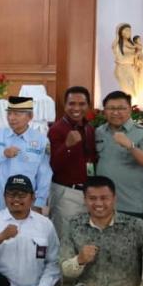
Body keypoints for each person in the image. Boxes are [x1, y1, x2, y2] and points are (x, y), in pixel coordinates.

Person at [94, 90, 143, 219]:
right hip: (101, 204)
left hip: (129, 204)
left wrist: (130, 146)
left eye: (121, 108)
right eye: (111, 108)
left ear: (130, 110)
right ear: (104, 111)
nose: (115, 112)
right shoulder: (99, 132)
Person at [0, 97, 52, 214]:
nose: (11, 118)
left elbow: (44, 174)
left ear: (30, 116)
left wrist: (39, 202)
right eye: (9, 113)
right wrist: (3, 154)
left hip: (27, 201)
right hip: (0, 200)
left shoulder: (41, 140)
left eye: (17, 114)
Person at [47, 86, 97, 239]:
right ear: (65, 105)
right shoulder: (56, 129)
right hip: (66, 192)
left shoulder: (89, 128)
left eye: (81, 104)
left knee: (85, 238)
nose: (76, 108)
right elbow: (52, 166)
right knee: (65, 239)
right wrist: (67, 146)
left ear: (88, 106)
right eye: (72, 103)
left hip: (88, 192)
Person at [112, 23, 142, 97]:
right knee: (127, 90)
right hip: (122, 69)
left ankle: (133, 102)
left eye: (130, 31)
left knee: (135, 88)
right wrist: (133, 56)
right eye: (126, 30)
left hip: (132, 68)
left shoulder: (132, 44)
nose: (129, 32)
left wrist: (138, 57)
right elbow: (120, 58)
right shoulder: (117, 44)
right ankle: (128, 102)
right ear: (120, 32)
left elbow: (137, 53)